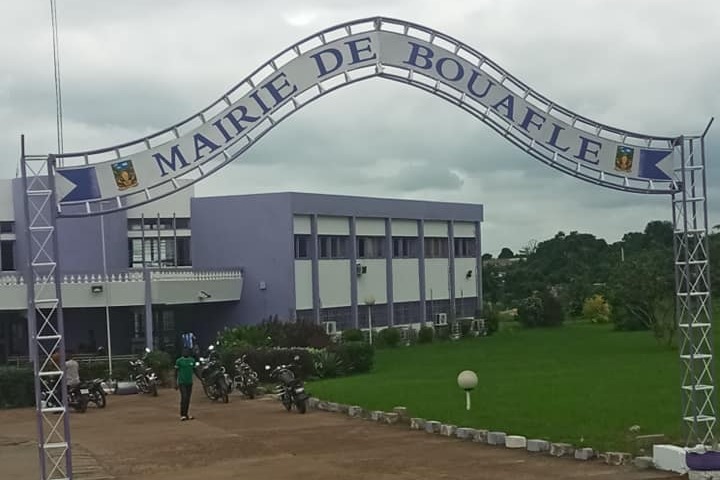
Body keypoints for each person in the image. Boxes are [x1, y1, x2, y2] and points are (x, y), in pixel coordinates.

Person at [175, 348, 195, 421]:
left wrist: (202, 379)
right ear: (182, 353)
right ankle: (182, 414)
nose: (185, 353)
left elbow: (195, 370)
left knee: (188, 399)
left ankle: (186, 414)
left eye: (187, 352)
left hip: (189, 382)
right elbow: (175, 372)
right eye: (184, 352)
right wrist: (175, 382)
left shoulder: (192, 360)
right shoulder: (179, 361)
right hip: (182, 382)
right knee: (184, 397)